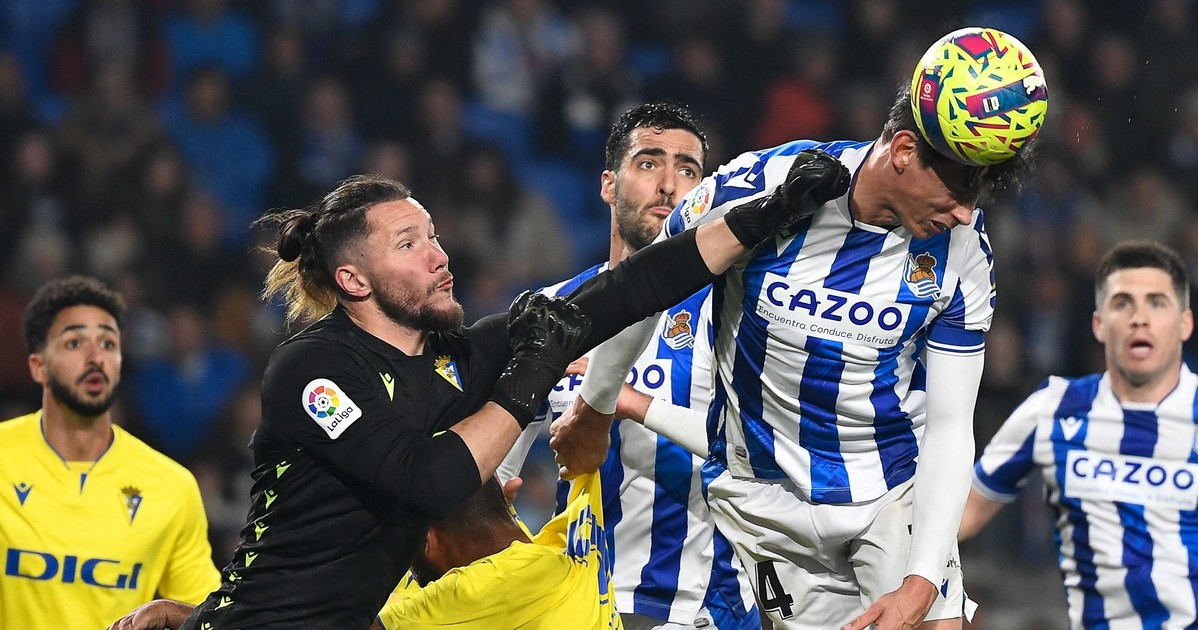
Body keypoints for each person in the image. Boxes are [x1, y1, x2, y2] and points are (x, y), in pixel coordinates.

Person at [171, 165, 849, 629]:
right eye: (409, 244)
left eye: (434, 236)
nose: (439, 255)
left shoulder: (453, 359)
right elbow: (429, 481)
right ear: (354, 280)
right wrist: (528, 382)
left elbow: (628, 290)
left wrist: (765, 215)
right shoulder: (313, 369)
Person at [551, 43, 1041, 630]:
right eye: (960, 187)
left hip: (889, 492)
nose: (965, 211)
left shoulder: (964, 254)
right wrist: (596, 408)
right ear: (905, 151)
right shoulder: (762, 185)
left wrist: (922, 580)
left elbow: (951, 425)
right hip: (764, 506)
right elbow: (647, 283)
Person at [500, 102, 759, 629]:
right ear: (608, 185)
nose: (668, 185)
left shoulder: (738, 314)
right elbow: (501, 467)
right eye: (648, 164)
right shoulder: (553, 310)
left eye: (687, 170)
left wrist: (623, 401)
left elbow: (759, 449)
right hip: (574, 607)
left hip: (703, 609)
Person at [962, 241, 1198, 629]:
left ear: (1185, 323)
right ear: (1099, 324)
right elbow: (964, 515)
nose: (1139, 318)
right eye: (1123, 303)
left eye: (1157, 303)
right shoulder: (1053, 409)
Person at [109, 473, 619, 630]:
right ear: (507, 499)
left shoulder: (471, 594)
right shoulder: (569, 531)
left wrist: (181, 616)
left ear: (424, 539)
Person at [0, 276, 220, 630]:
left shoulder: (171, 486)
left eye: (108, 343)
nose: (95, 357)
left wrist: (170, 612)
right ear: (39, 366)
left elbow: (213, 618)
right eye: (74, 343)